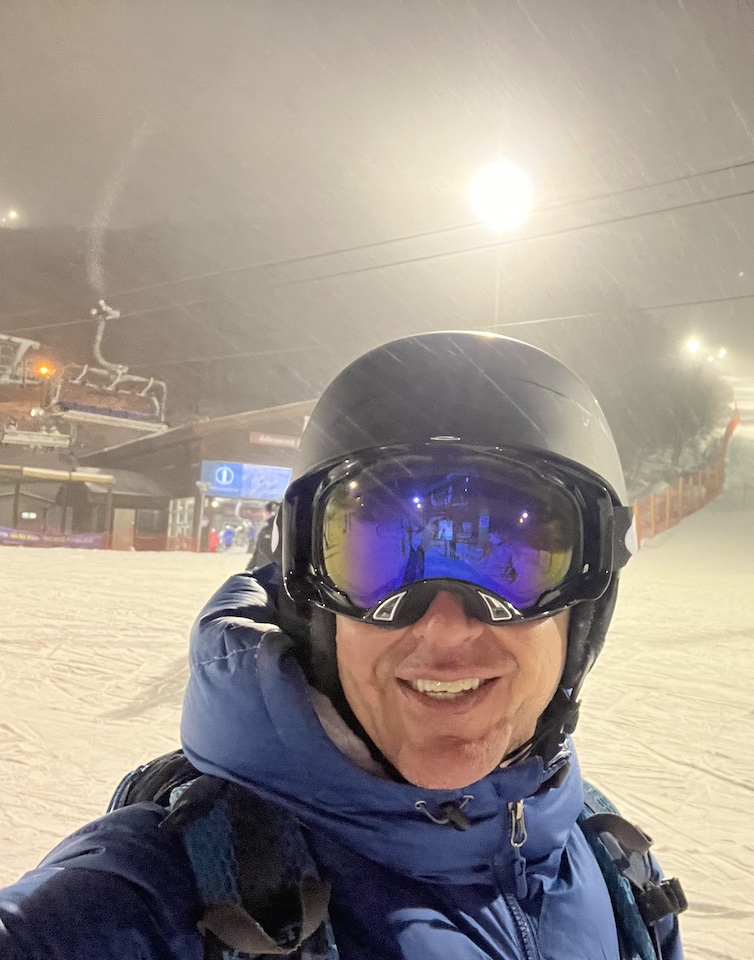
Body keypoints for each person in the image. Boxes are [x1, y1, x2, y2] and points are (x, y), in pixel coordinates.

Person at [0, 331, 684, 959]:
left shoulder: (616, 872)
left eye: (512, 561)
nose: (444, 628)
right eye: (379, 557)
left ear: (587, 609)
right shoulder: (156, 901)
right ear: (311, 602)